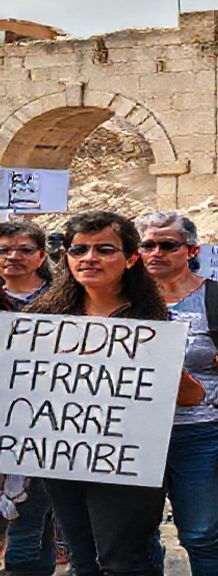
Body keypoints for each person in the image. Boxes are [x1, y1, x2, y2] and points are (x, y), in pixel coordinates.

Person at [27, 210, 202, 575]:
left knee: (124, 562)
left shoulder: (151, 320)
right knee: (82, 562)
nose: (89, 259)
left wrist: (166, 364)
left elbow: (190, 397)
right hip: (63, 456)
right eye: (79, 250)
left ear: (131, 258)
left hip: (127, 459)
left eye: (104, 250)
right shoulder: (44, 318)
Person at [136, 211, 218, 576]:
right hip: (133, 434)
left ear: (191, 250)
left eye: (168, 245)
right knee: (135, 536)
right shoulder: (119, 301)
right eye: (148, 245)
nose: (156, 253)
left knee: (201, 533)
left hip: (200, 434)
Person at [0, 222, 57, 575]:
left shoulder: (68, 302)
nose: (13, 257)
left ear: (41, 256)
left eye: (23, 250)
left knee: (30, 524)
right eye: (4, 250)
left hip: (48, 431)